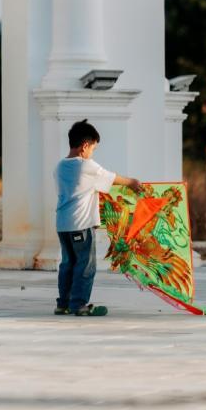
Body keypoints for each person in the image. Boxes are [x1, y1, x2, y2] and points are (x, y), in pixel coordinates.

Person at [53, 119, 142, 316]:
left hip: (62, 224)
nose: (92, 153)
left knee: (68, 264)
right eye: (93, 149)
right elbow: (111, 177)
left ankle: (63, 304)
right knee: (85, 265)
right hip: (81, 224)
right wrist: (131, 182)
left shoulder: (59, 166)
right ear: (85, 146)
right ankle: (79, 305)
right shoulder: (86, 166)